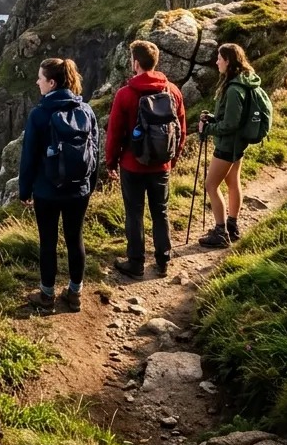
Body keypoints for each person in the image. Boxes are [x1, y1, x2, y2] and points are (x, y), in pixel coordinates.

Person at [18, 57, 100, 312]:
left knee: (48, 242)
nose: (37, 82)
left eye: (40, 78)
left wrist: (25, 190)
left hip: (47, 190)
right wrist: (89, 184)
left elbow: (29, 157)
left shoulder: (40, 114)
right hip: (79, 189)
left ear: (51, 82)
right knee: (75, 239)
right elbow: (94, 152)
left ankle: (46, 296)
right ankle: (74, 294)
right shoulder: (86, 110)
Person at [105, 40, 186, 279]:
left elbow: (115, 133)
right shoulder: (172, 90)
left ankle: (136, 262)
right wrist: (173, 157)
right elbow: (181, 128)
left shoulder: (126, 94)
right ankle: (163, 259)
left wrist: (111, 162)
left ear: (136, 63)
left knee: (134, 212)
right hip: (162, 164)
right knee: (160, 210)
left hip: (132, 164)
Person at [197, 43, 262, 248]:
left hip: (227, 145)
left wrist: (206, 129)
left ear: (228, 61)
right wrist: (214, 118)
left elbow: (230, 124)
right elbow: (233, 118)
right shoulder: (244, 81)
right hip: (238, 144)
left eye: (219, 58)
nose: (216, 62)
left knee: (211, 185)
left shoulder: (234, 89)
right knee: (233, 181)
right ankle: (232, 226)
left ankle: (220, 232)